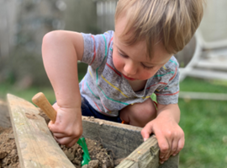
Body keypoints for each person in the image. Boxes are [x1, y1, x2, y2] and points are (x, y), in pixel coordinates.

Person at [42, 0, 204, 164]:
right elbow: (56, 41)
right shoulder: (105, 47)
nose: (129, 70)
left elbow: (169, 105)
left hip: (121, 118)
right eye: (123, 54)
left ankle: (128, 155)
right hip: (84, 106)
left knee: (145, 111)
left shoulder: (168, 70)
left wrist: (167, 119)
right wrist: (68, 107)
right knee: (55, 124)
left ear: (170, 55)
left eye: (147, 65)